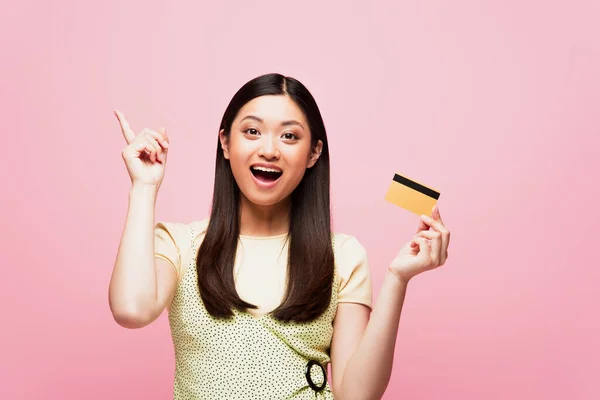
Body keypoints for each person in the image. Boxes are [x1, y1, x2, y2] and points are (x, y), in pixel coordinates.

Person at [108, 73, 451, 400]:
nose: (269, 150)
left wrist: (398, 278)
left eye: (289, 136)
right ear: (226, 142)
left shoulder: (342, 255)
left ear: (313, 153)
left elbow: (357, 394)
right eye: (252, 131)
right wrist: (144, 187)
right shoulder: (180, 244)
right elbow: (131, 310)